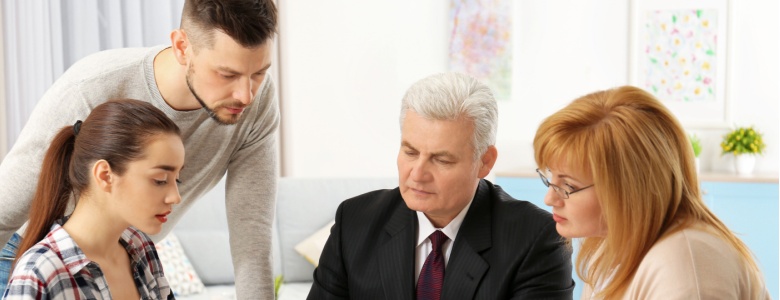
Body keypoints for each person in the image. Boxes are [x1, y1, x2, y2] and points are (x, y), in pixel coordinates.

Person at [0, 0, 279, 297]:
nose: (246, 95)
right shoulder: (90, 89)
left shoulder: (257, 104)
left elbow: (252, 240)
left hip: (129, 256)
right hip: (34, 260)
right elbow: (4, 212)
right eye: (227, 75)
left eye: (259, 73)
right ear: (183, 47)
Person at [308, 72, 574, 300]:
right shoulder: (354, 221)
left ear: (485, 162)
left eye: (441, 159)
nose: (418, 174)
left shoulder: (536, 239)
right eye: (410, 153)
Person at [534, 86, 769, 299]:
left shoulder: (683, 267)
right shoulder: (612, 245)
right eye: (550, 177)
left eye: (568, 187)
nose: (549, 199)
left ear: (629, 188)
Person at [3, 99, 180, 299]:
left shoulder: (140, 247)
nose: (176, 197)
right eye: (160, 180)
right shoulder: (39, 273)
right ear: (105, 175)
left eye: (177, 180)